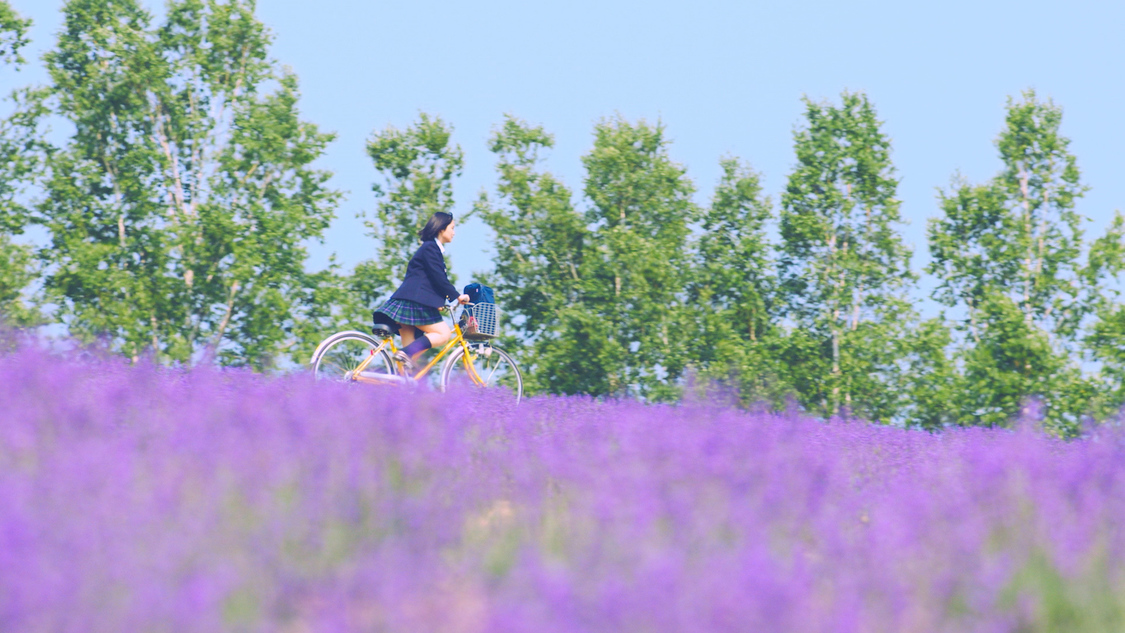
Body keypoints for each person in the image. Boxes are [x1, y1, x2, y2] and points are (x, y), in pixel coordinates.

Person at [373, 211, 469, 373]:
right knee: (444, 334)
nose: (454, 232)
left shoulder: (429, 248)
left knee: (411, 361)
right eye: (452, 228)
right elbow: (438, 277)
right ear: (441, 228)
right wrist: (457, 296)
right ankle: (403, 356)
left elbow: (426, 280)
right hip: (414, 303)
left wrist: (438, 302)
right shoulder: (431, 248)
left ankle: (393, 382)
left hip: (409, 300)